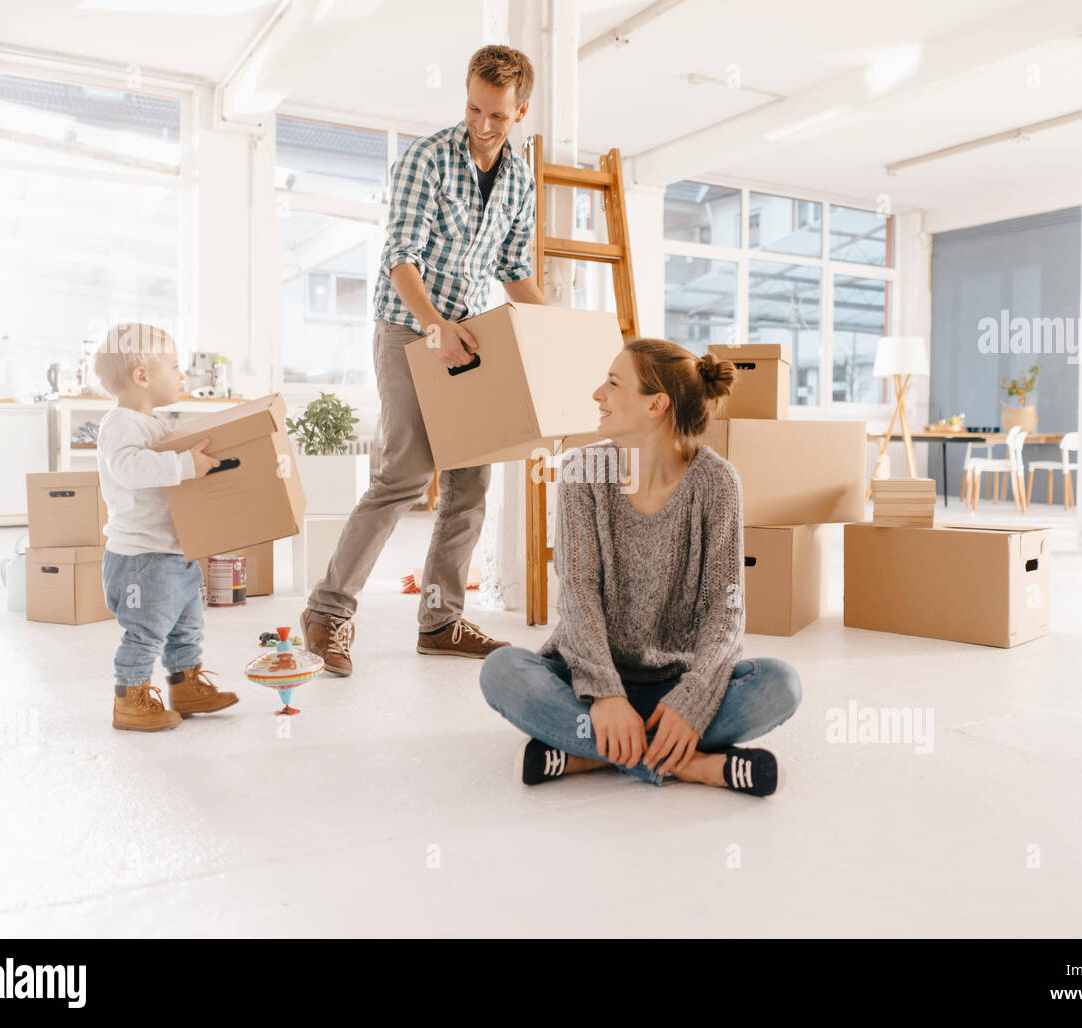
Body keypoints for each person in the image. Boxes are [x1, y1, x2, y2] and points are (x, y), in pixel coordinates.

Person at [300, 44, 547, 674]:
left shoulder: (520, 179)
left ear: (521, 110)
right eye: (473, 107)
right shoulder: (426, 160)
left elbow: (515, 269)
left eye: (498, 113)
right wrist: (434, 325)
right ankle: (328, 612)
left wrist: (552, 337)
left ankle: (439, 621)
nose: (483, 124)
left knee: (470, 482)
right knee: (405, 474)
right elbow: (401, 257)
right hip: (408, 327)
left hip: (469, 334)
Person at [480, 339, 803, 796]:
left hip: (675, 691)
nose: (598, 394)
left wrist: (692, 698)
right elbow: (579, 592)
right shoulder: (581, 472)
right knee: (502, 671)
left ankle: (582, 756)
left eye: (613, 384)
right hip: (586, 684)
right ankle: (692, 766)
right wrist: (607, 695)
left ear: (657, 404)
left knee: (780, 684)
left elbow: (724, 609)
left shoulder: (717, 482)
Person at [94, 322, 237, 732]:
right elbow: (130, 468)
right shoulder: (119, 424)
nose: (182, 375)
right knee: (145, 631)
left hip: (175, 550)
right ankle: (130, 697)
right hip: (142, 556)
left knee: (187, 626)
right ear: (142, 376)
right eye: (174, 366)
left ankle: (185, 683)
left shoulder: (154, 423)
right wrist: (185, 465)